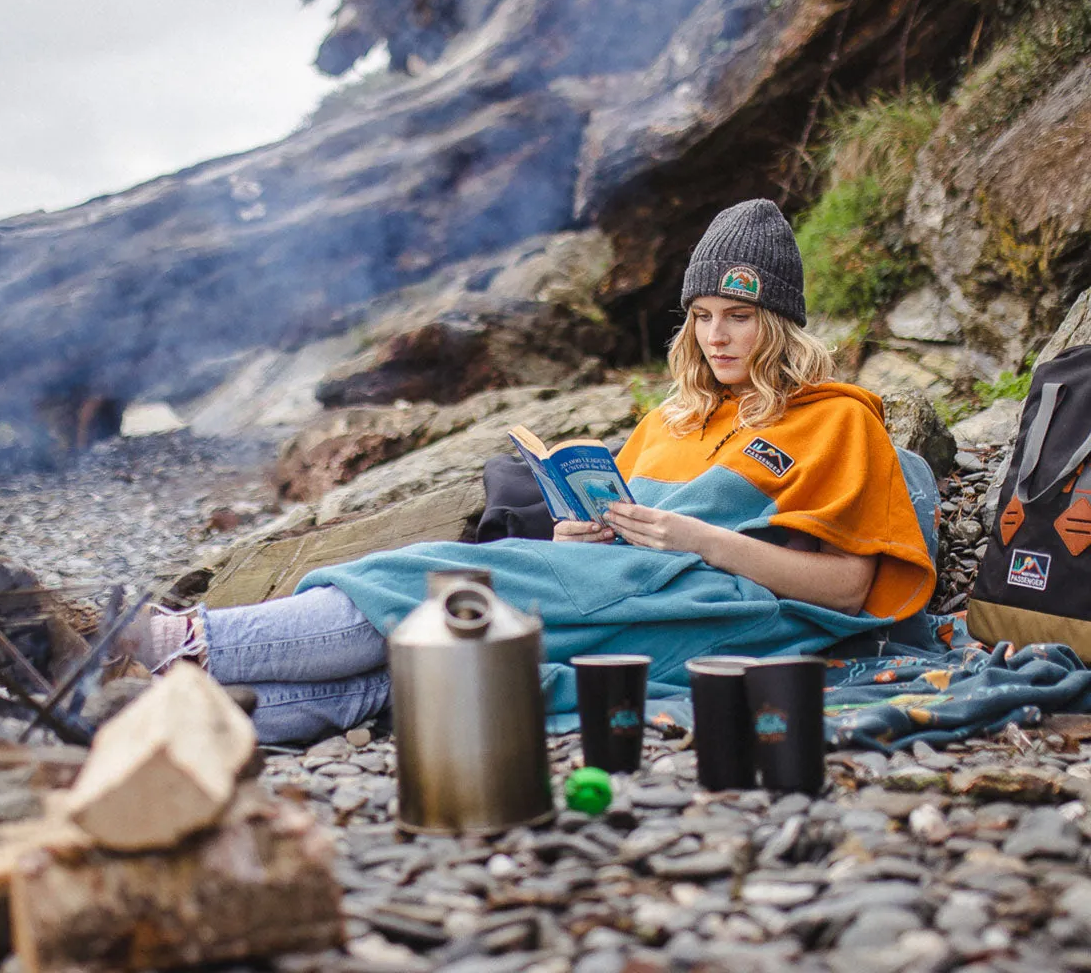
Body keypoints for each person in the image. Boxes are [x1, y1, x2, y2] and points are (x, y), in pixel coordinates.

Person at [132, 199, 936, 744]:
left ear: (780, 323)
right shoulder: (673, 416)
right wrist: (574, 527)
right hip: (623, 578)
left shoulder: (838, 419)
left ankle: (184, 640)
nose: (719, 338)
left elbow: (849, 591)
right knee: (426, 668)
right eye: (704, 318)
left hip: (737, 607)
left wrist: (698, 538)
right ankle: (157, 719)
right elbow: (615, 519)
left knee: (450, 588)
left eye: (741, 318)